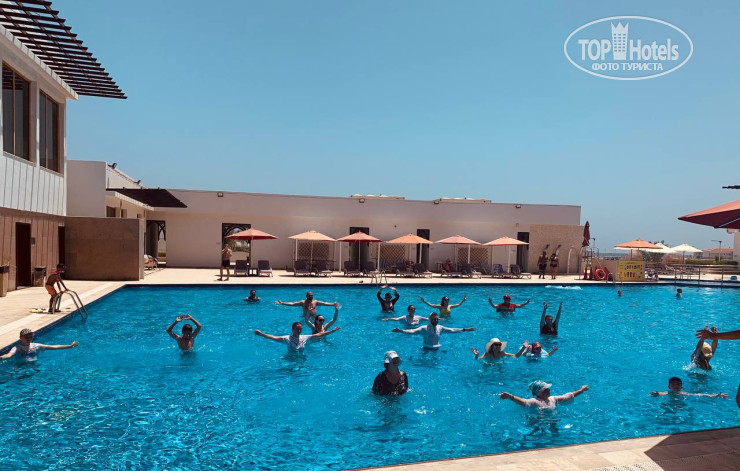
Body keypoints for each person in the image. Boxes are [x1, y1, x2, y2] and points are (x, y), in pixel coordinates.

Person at [696, 326, 740, 408]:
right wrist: (702, 338)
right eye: (705, 355)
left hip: (707, 380)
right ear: (700, 354)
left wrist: (715, 335)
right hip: (696, 382)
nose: (707, 357)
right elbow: (698, 348)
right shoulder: (695, 359)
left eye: (708, 356)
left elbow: (714, 347)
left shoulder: (708, 358)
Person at [392, 312, 474, 349]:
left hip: (437, 349)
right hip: (426, 349)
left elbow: (452, 330)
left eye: (437, 319)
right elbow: (412, 332)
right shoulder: (424, 328)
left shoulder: (440, 328)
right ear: (430, 319)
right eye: (434, 319)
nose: (436, 321)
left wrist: (465, 329)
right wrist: (401, 331)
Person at [254, 321, 339, 352]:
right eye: (297, 329)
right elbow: (273, 337)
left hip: (302, 358)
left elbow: (319, 334)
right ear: (292, 329)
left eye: (300, 329)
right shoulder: (287, 338)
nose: (299, 331)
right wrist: (261, 334)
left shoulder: (305, 337)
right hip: (290, 358)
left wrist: (331, 331)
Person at [0, 328, 78, 361]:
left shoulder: (36, 345)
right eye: (26, 337)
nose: (28, 338)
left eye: (30, 336)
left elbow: (54, 347)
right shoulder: (17, 348)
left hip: (33, 365)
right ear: (21, 338)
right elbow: (9, 355)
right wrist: (1, 357)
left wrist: (70, 346)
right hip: (20, 366)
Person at [500, 380, 588, 409]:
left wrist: (581, 390)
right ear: (539, 393)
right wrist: (510, 396)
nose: (548, 391)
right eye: (545, 390)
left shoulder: (553, 399)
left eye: (548, 389)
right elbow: (523, 402)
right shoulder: (535, 401)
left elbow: (568, 396)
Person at [651, 377, 728, 398]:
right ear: (669, 387)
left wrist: (717, 395)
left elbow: (701, 395)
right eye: (673, 384)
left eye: (678, 384)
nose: (675, 386)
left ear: (681, 387)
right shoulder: (668, 393)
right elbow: (661, 393)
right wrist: (656, 393)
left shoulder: (684, 394)